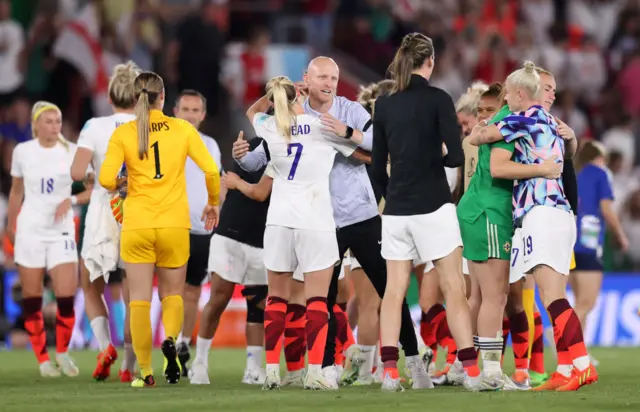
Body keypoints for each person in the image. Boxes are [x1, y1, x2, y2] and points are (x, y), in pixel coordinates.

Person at [232, 57, 428, 388]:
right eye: (322, 76)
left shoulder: (349, 111)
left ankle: (413, 362)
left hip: (361, 214)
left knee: (388, 289)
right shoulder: (302, 117)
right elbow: (262, 161)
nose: (329, 82)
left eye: (334, 77)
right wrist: (242, 157)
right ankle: (323, 367)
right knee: (322, 299)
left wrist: (347, 132)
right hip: (321, 221)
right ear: (306, 78)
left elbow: (381, 146)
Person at [468, 61, 597, 392]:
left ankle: (581, 364)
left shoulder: (523, 117)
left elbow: (483, 137)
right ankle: (566, 367)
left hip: (542, 213)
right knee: (551, 294)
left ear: (521, 93)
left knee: (553, 296)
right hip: (558, 213)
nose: (506, 101)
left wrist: (479, 129)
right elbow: (567, 151)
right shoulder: (552, 122)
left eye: (509, 95)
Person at [234, 75, 365, 390]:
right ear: (300, 94)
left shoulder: (270, 125)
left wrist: (273, 95)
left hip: (278, 221)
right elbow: (361, 141)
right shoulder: (322, 126)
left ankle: (272, 372)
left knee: (276, 298)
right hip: (315, 220)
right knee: (317, 298)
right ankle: (315, 372)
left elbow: (252, 111)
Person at [371, 33, 484, 392]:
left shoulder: (384, 105)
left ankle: (389, 373)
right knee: (453, 287)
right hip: (434, 206)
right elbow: (455, 155)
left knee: (394, 291)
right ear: (430, 62)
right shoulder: (438, 99)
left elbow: (376, 167)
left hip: (397, 210)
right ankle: (471, 372)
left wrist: (391, 198)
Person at [98, 71, 221, 388]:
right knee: (173, 295)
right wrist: (213, 202)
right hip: (174, 224)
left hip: (138, 223)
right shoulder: (181, 128)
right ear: (163, 97)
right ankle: (170, 340)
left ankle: (145, 371)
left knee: (138, 300)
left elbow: (106, 179)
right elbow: (210, 169)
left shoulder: (125, 132)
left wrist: (124, 182)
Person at [458, 82, 562, 390]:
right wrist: (541, 170)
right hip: (489, 211)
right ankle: (487, 372)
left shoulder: (506, 120)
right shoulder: (510, 119)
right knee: (494, 296)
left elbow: (481, 139)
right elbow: (499, 168)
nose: (549, 96)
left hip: (485, 212)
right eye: (544, 90)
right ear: (520, 94)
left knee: (484, 296)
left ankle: (473, 368)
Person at [7, 101, 91, 377]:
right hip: (31, 229)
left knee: (66, 294)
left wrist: (72, 199)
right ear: (35, 124)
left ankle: (64, 353)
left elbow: (94, 186)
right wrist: (11, 224)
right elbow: (16, 192)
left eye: (58, 121)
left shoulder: (71, 152)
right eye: (49, 121)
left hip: (61, 231)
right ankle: (43, 359)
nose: (55, 126)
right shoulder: (23, 151)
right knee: (32, 298)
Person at [70, 61, 139, 382]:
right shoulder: (149, 125)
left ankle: (104, 347)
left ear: (110, 98)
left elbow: (75, 172)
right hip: (139, 209)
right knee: (133, 290)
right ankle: (129, 367)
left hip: (102, 209)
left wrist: (91, 177)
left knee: (90, 283)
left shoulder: (93, 126)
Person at [188, 132, 269, 386]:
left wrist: (235, 184)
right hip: (232, 233)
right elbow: (231, 180)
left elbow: (248, 187)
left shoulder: (295, 149)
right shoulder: (254, 145)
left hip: (265, 238)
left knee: (258, 305)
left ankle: (253, 368)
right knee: (219, 297)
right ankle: (199, 362)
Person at [171, 89, 224, 377]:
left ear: (203, 115)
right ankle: (165, 345)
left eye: (195, 110)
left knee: (191, 293)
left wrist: (218, 209)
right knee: (172, 293)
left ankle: (181, 344)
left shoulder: (211, 145)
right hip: (171, 227)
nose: (190, 115)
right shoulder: (164, 141)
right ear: (175, 112)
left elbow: (217, 182)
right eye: (186, 109)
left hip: (202, 231)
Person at [571, 141, 628, 342]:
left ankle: (580, 351)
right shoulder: (600, 173)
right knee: (587, 303)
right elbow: (606, 209)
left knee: (579, 301)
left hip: (567, 243)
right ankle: (564, 342)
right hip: (589, 243)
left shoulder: (572, 172)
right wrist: (621, 234)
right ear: (600, 157)